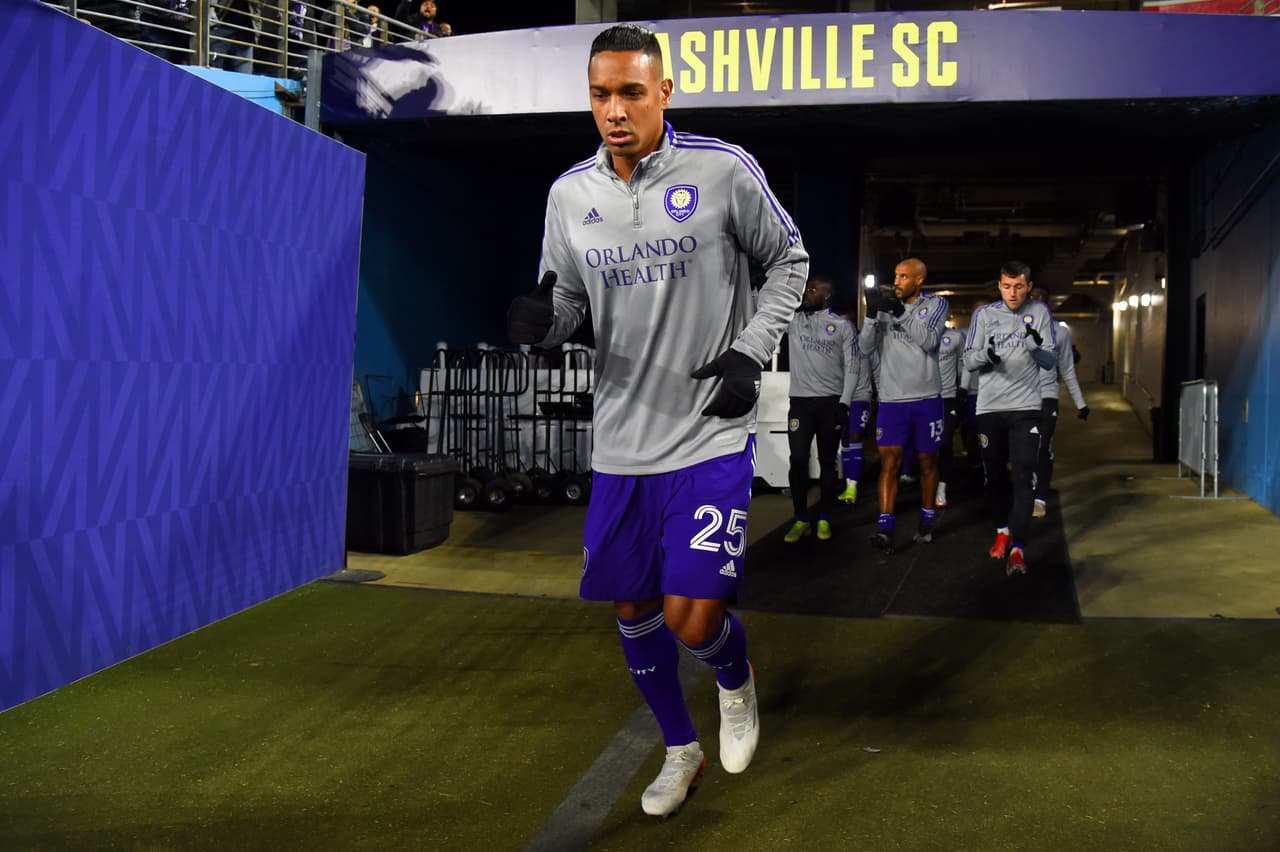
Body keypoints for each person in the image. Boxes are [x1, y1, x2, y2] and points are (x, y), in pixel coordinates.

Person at [505, 23, 807, 818]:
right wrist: (546, 323)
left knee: (692, 613)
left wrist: (749, 354)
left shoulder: (722, 170)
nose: (614, 109)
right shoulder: (570, 195)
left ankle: (735, 684)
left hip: (709, 430)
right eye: (600, 93)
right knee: (634, 609)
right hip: (622, 439)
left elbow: (790, 262)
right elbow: (566, 299)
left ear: (663, 93)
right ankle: (681, 749)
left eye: (630, 92)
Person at [962, 261, 1057, 576]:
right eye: (1006, 286)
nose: (1012, 293)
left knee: (1023, 475)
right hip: (989, 408)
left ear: (1029, 286)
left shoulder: (1040, 313)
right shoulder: (984, 315)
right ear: (999, 286)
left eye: (1018, 286)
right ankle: (1002, 530)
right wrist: (986, 356)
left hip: (1026, 408)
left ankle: (1018, 548)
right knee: (994, 477)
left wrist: (1035, 349)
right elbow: (969, 359)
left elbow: (1050, 361)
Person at [858, 258, 949, 553]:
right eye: (895, 275)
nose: (896, 281)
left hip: (926, 399)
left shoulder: (936, 305)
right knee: (890, 463)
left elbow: (929, 341)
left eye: (904, 277)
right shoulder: (885, 307)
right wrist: (872, 314)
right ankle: (884, 528)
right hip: (892, 400)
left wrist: (900, 312)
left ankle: (926, 520)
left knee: (927, 462)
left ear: (919, 280)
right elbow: (864, 349)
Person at [781, 275, 858, 543]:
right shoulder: (794, 320)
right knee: (799, 459)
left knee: (827, 462)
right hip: (800, 404)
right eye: (806, 289)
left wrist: (844, 403)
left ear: (826, 296)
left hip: (830, 404)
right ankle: (801, 518)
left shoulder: (842, 327)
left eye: (812, 290)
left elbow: (852, 368)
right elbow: (764, 308)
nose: (806, 294)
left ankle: (824, 516)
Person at [1029, 287, 1089, 519]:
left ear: (1048, 304)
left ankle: (1040, 498)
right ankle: (1028, 490)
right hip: (1021, 397)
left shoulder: (1059, 334)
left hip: (1047, 396)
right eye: (1033, 299)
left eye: (1042, 300)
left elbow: (1067, 370)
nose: (1037, 303)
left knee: (1044, 447)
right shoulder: (1016, 329)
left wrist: (1080, 403)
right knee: (1024, 450)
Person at [838, 313, 874, 505]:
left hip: (861, 398)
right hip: (842, 399)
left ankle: (853, 486)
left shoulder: (864, 345)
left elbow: (876, 367)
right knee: (844, 439)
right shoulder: (837, 344)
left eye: (847, 323)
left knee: (855, 436)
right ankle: (848, 484)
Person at [934, 325, 966, 508]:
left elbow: (963, 366)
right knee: (927, 447)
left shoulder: (955, 337)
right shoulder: (922, 336)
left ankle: (942, 487)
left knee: (945, 443)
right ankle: (929, 483)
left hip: (947, 398)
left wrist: (962, 389)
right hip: (927, 398)